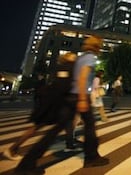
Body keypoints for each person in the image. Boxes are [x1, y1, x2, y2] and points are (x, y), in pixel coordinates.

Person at [13, 36, 109, 175]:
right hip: (79, 96)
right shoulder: (90, 58)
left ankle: (26, 164)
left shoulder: (81, 58)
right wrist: (82, 99)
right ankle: (91, 157)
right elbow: (82, 78)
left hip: (70, 97)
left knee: (55, 131)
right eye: (100, 45)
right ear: (96, 47)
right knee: (90, 126)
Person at [4, 54, 80, 161]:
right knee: (42, 128)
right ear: (67, 58)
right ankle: (15, 150)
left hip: (53, 103)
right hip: (54, 104)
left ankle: (69, 143)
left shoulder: (62, 67)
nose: (75, 57)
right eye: (72, 56)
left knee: (41, 127)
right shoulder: (67, 67)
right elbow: (63, 85)